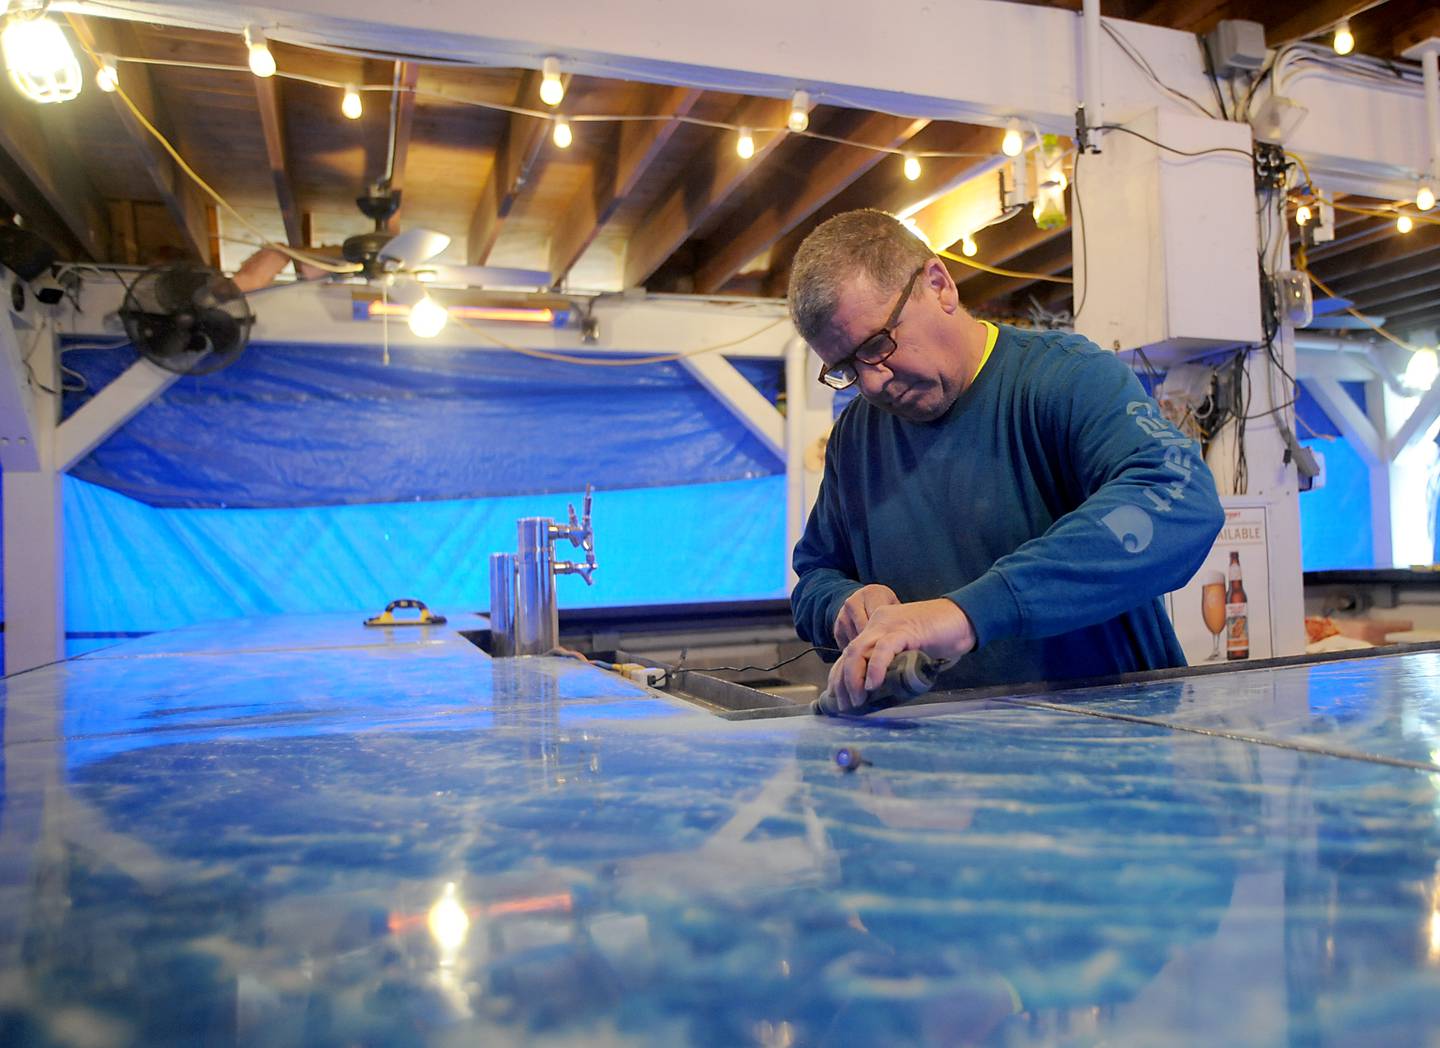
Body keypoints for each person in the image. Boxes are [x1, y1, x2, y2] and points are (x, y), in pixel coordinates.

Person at [788, 210, 1225, 712]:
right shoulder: (855, 438)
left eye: (878, 346)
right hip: (938, 763)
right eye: (845, 368)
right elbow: (816, 574)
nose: (872, 383)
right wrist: (842, 605)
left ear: (939, 285)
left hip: (1112, 748)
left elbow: (1181, 499)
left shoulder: (1067, 378)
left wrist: (963, 614)